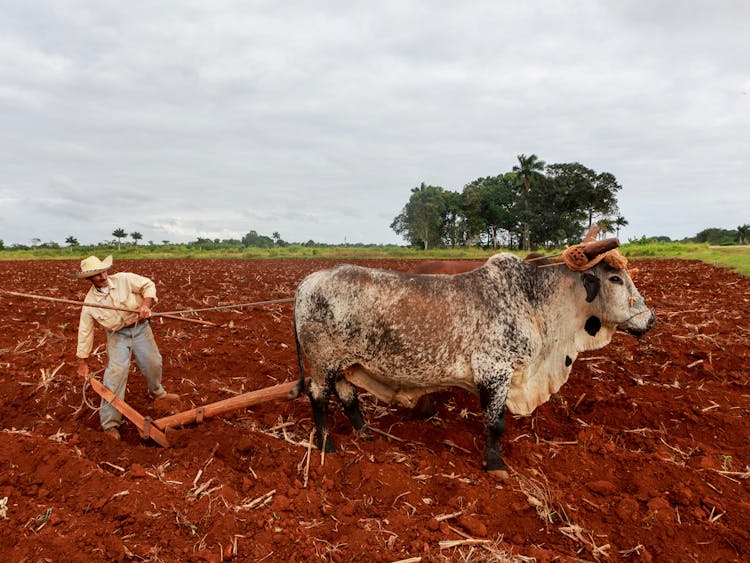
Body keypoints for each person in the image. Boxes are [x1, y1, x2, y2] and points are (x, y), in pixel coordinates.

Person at [71, 255, 178, 440]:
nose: (103, 276)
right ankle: (110, 424)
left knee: (153, 363)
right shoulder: (89, 303)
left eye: (103, 271)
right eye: (97, 275)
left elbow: (148, 285)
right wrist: (82, 361)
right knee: (116, 374)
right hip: (117, 336)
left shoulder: (124, 279)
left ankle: (157, 393)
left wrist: (145, 305)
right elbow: (85, 332)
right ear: (89, 279)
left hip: (140, 327)